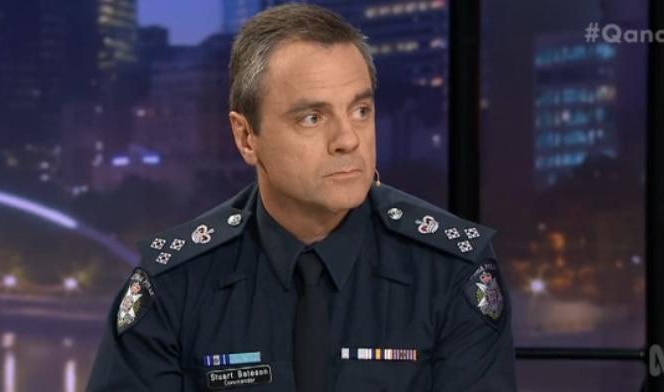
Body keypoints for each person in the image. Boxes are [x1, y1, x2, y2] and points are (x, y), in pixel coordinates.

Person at [85, 3, 517, 391]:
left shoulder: (452, 270)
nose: (348, 139)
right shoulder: (174, 283)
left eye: (360, 111)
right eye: (313, 117)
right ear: (246, 136)